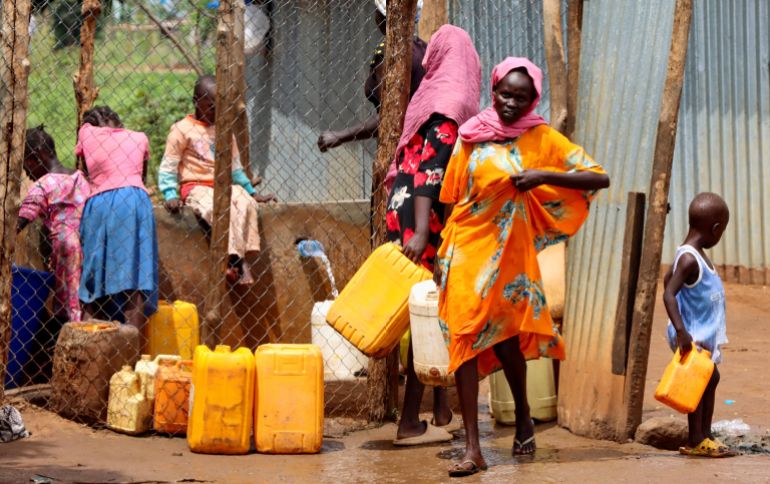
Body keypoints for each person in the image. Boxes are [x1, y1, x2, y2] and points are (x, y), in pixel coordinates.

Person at [437, 57, 609, 477]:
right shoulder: (470, 135)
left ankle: (525, 416)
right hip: (466, 249)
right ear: (492, 90)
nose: (510, 102)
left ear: (534, 98)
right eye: (503, 93)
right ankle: (473, 448)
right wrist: (442, 254)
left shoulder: (542, 138)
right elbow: (451, 194)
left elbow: (597, 177)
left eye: (520, 96)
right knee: (463, 340)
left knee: (507, 342)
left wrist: (542, 175)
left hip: (510, 255)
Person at [388, 25, 481, 446]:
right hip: (423, 221)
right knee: (429, 316)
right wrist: (425, 232)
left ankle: (440, 409)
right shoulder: (452, 104)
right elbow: (431, 175)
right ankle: (409, 421)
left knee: (431, 311)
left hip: (403, 211)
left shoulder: (429, 97)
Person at [159, 75, 276, 286]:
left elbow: (235, 167)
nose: (216, 113)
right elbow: (168, 166)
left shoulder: (223, 129)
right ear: (196, 102)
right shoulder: (181, 130)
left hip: (223, 185)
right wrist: (170, 194)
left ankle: (236, 260)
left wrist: (252, 192)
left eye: (220, 108)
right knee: (215, 208)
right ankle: (238, 262)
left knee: (245, 203)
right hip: (195, 186)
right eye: (211, 107)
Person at [663, 193, 735, 458]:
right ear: (716, 228)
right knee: (699, 381)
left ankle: (705, 433)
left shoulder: (692, 254)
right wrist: (681, 331)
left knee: (709, 378)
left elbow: (666, 279)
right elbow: (668, 292)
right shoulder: (690, 258)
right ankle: (696, 439)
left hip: (700, 331)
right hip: (693, 334)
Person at [316, 0, 426, 171]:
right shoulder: (422, 48)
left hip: (402, 155)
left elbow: (390, 118)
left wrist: (340, 136)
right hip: (423, 147)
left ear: (382, 17)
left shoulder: (388, 54)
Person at [77, 106, 158, 331]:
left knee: (94, 278)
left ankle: (90, 346)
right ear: (120, 126)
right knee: (136, 280)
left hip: (100, 202)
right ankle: (130, 356)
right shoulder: (139, 138)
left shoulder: (86, 133)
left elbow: (87, 173)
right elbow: (140, 176)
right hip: (135, 202)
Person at [17, 125, 90, 322]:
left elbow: (23, 218)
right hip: (90, 243)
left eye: (27, 166)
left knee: (68, 297)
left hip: (65, 247)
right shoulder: (80, 177)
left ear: (38, 156)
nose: (27, 174)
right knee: (84, 297)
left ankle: (71, 336)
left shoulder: (44, 185)